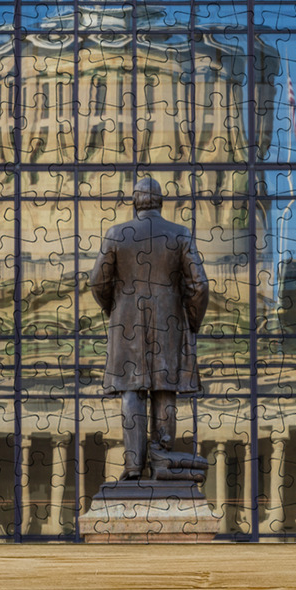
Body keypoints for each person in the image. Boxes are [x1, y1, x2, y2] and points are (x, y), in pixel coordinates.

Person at [89, 177, 209, 480]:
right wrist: (191, 321)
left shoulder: (117, 234)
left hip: (126, 322)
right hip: (169, 323)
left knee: (130, 390)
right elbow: (199, 285)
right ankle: (162, 456)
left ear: (135, 202)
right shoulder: (180, 234)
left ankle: (132, 467)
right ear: (160, 202)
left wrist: (114, 308)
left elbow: (97, 282)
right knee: (165, 390)